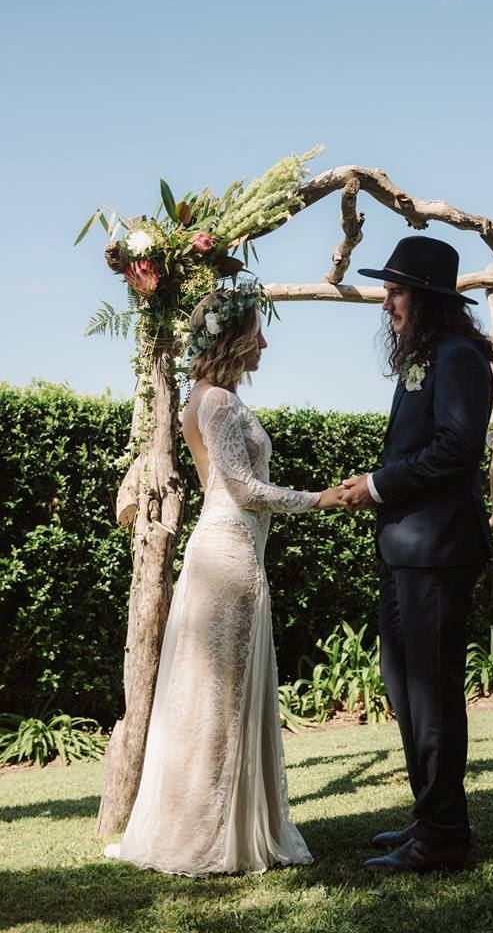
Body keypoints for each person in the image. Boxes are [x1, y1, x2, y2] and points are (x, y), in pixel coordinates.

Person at [105, 285, 343, 875]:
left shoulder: (204, 398)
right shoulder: (218, 403)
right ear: (234, 339)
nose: (265, 343)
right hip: (228, 555)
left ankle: (218, 821)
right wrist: (319, 498)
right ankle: (208, 833)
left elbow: (218, 484)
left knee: (213, 693)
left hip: (228, 547)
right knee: (220, 695)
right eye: (258, 332)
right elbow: (240, 488)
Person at [339, 236, 493, 874]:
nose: (387, 304)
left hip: (438, 550)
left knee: (432, 696)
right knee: (404, 689)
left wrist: (377, 486)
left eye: (396, 291)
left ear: (429, 299)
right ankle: (431, 816)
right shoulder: (426, 356)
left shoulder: (459, 357)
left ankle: (445, 838)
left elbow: (458, 448)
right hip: (406, 550)